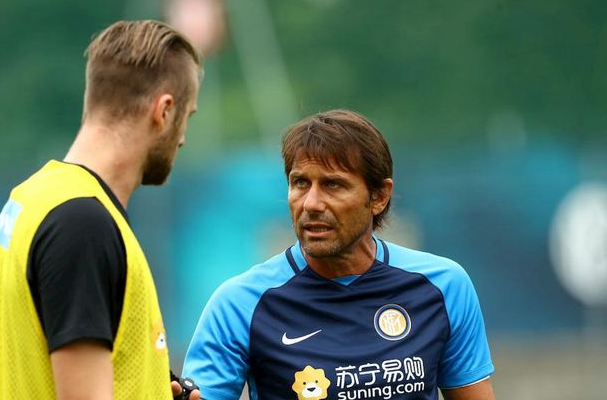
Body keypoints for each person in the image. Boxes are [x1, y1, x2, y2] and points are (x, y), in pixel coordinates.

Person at [183, 109, 495, 400]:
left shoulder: (443, 286)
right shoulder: (239, 304)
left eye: (333, 185)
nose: (311, 203)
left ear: (379, 197)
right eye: (300, 183)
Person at [0, 20, 203, 400]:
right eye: (187, 117)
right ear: (164, 111)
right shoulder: (83, 225)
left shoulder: (32, 198)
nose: (182, 138)